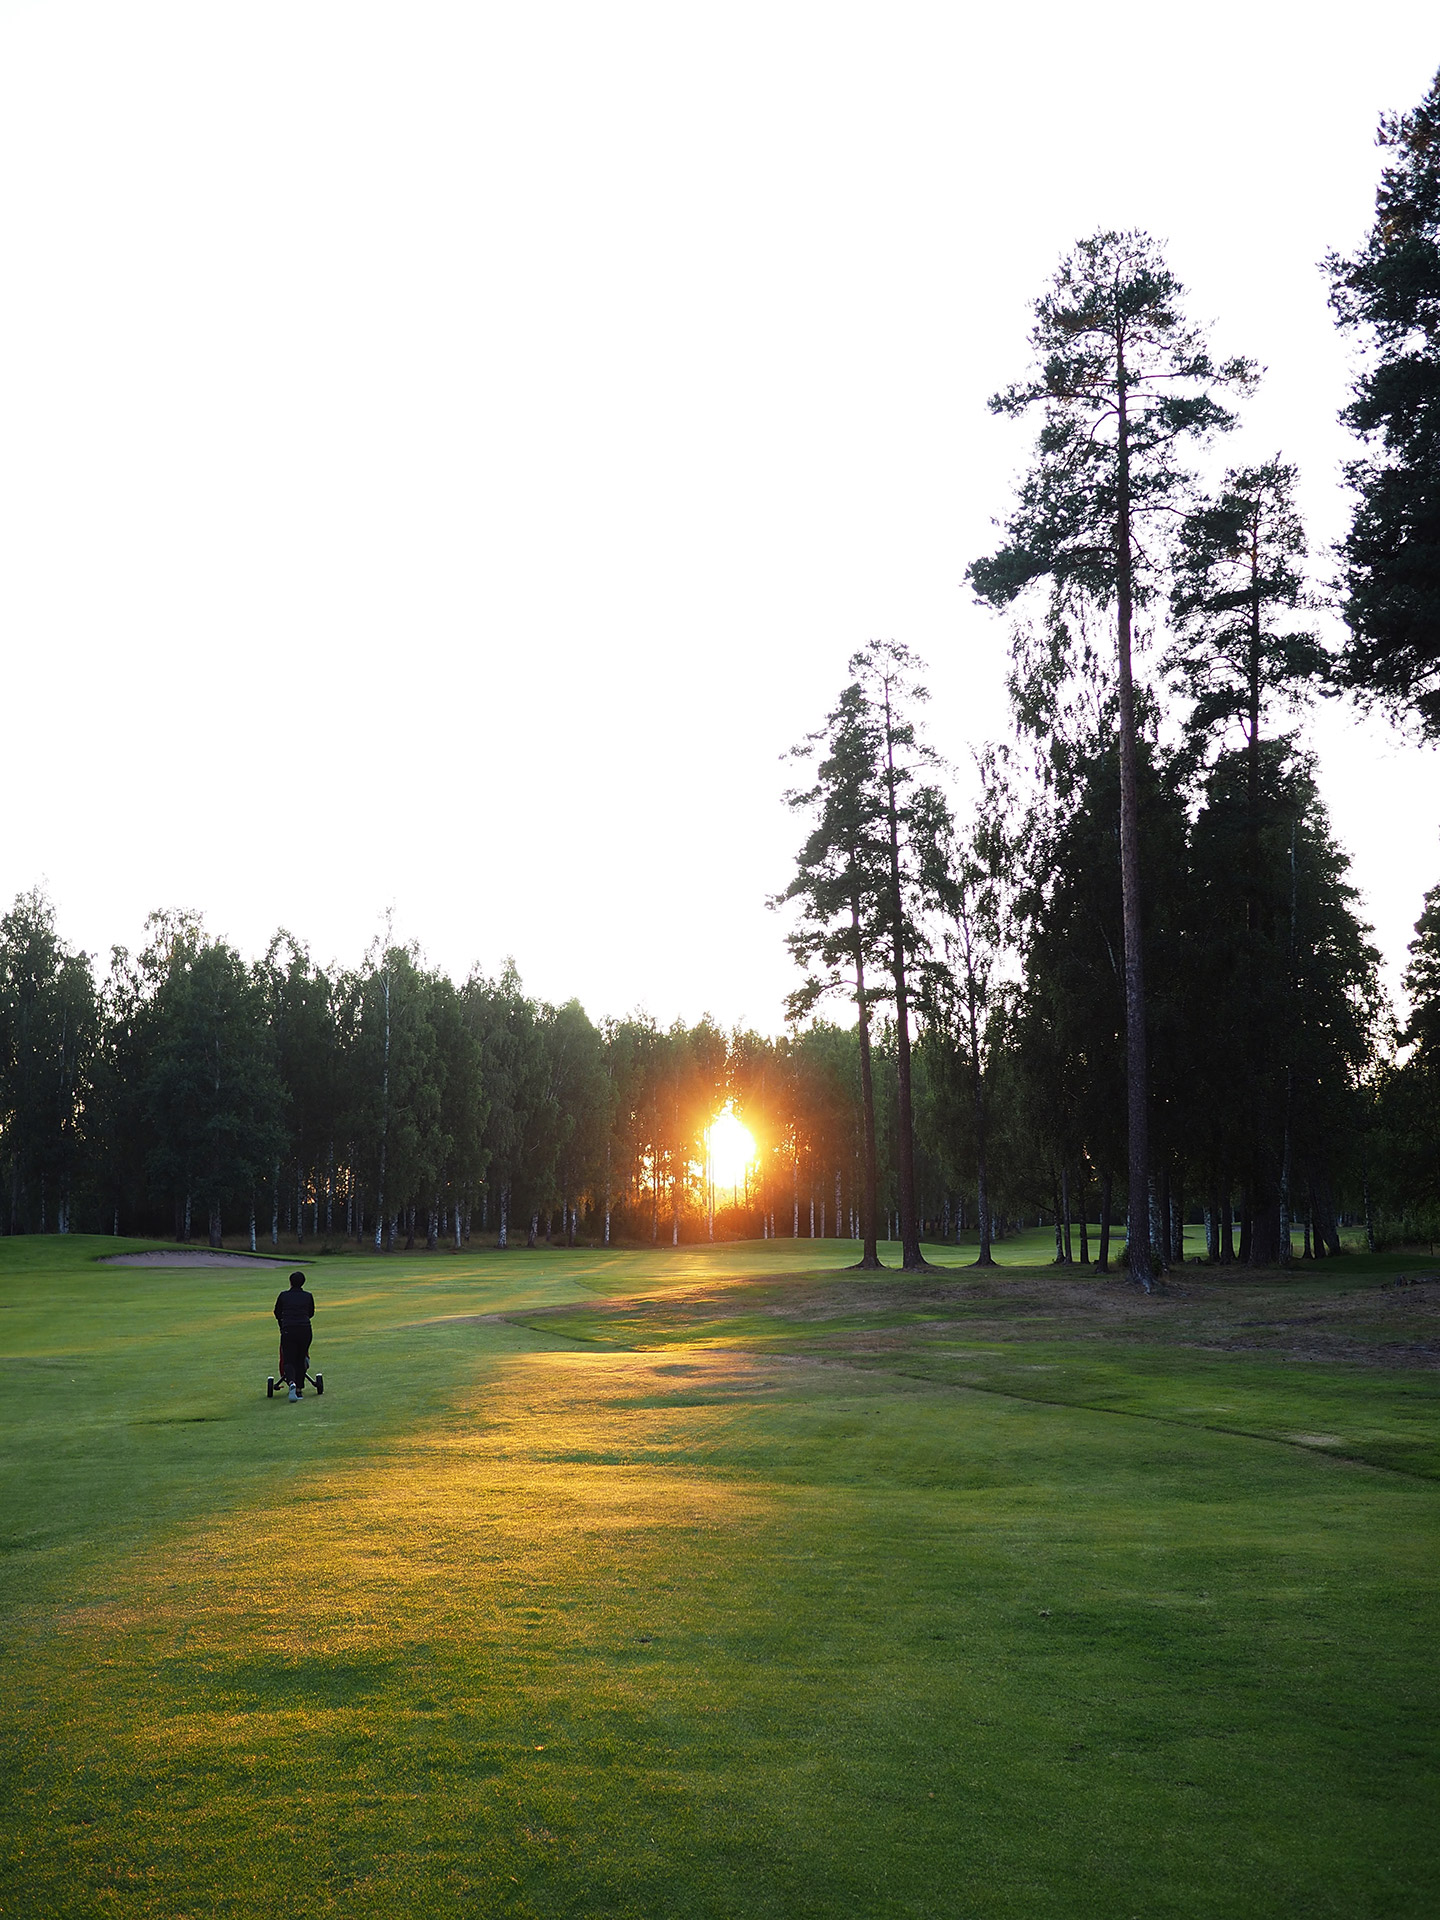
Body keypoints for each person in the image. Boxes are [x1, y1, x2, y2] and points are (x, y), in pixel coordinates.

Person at [274, 1271, 315, 1402]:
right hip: (305, 1329)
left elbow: (277, 1312)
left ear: (290, 1282)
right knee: (300, 1358)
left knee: (288, 1359)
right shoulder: (308, 1296)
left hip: (288, 1330)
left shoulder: (283, 1295)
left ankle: (291, 1382)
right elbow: (311, 1313)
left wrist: (283, 1324)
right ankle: (299, 1389)